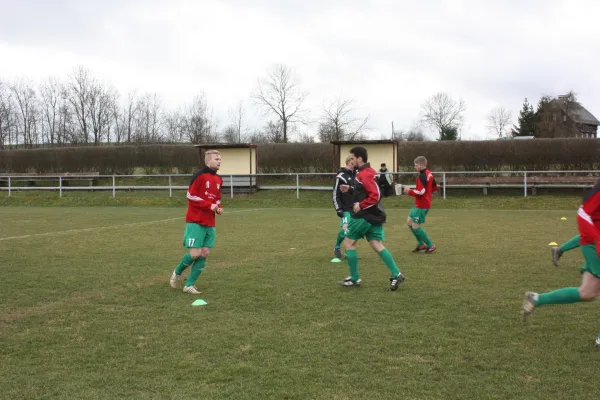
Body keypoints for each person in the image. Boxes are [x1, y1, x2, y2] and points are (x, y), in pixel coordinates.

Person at [522, 179, 600, 347]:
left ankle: (537, 299)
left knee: (587, 292)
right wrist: (597, 239)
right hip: (594, 244)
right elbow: (583, 213)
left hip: (593, 242)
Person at [338, 146, 405, 291]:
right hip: (374, 215)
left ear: (359, 159)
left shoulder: (365, 174)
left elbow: (375, 195)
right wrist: (349, 189)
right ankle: (396, 273)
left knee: (348, 243)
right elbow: (365, 190)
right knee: (376, 244)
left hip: (365, 216)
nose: (351, 160)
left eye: (352, 158)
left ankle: (355, 278)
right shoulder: (367, 172)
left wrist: (361, 205)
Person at [170, 150, 224, 294]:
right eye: (216, 159)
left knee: (204, 253)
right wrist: (209, 205)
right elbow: (190, 196)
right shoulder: (199, 176)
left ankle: (189, 285)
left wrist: (217, 207)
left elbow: (217, 199)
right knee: (195, 254)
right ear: (208, 161)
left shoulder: (219, 179)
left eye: (220, 159)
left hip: (210, 222)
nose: (219, 161)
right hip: (195, 220)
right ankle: (177, 272)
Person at [404, 156, 438, 254]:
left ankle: (431, 245)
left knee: (415, 227)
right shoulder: (428, 174)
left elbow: (421, 191)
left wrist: (409, 191)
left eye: (416, 165)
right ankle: (421, 244)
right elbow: (434, 188)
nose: (415, 167)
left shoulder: (422, 176)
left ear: (422, 165)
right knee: (409, 222)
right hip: (419, 203)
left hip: (422, 205)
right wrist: (428, 194)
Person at [332, 155, 355, 262]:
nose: (352, 164)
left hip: (356, 208)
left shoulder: (357, 175)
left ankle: (348, 252)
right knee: (346, 230)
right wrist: (338, 208)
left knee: (354, 230)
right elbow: (335, 193)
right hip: (345, 208)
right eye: (350, 162)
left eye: (353, 162)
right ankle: (337, 246)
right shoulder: (341, 176)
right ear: (347, 162)